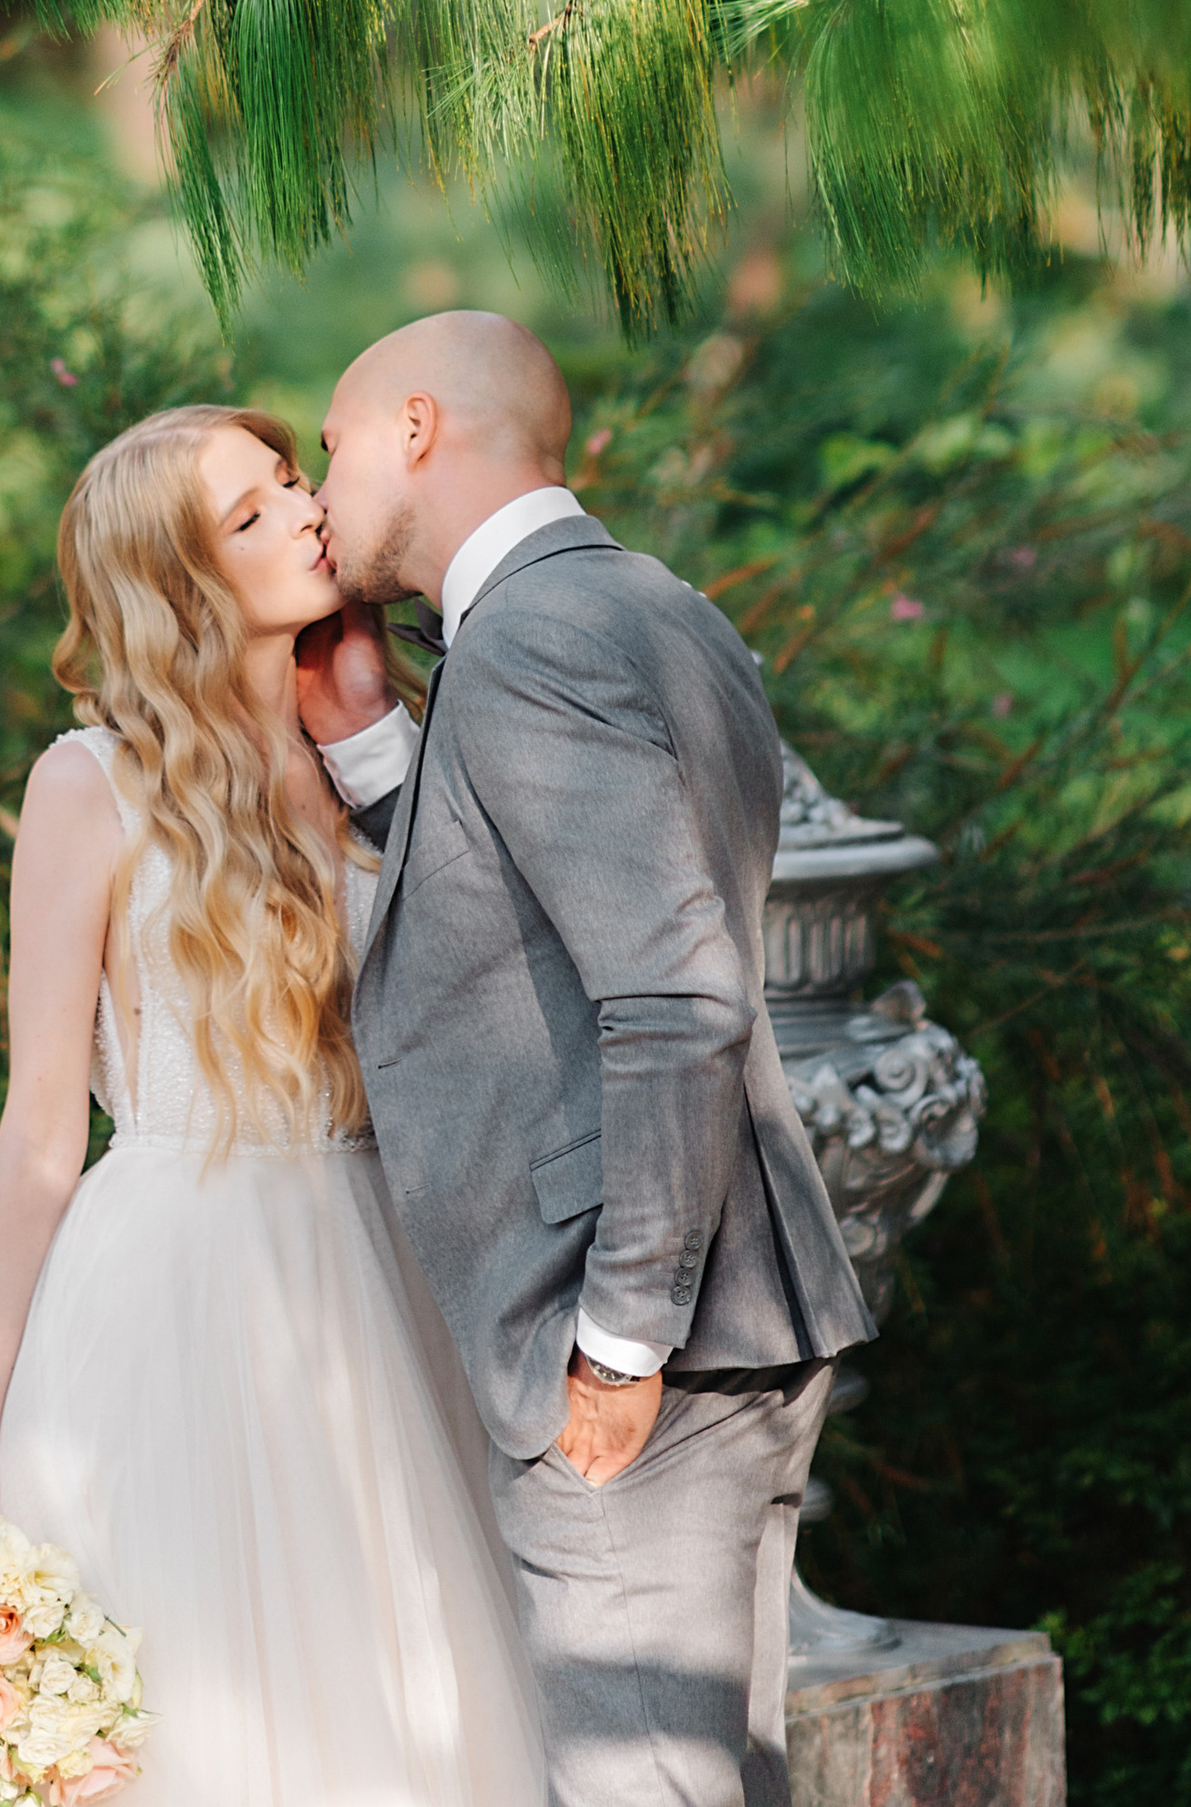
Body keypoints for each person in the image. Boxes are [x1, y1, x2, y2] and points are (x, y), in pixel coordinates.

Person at [0, 401, 546, 1807]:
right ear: (185, 585)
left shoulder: (379, 745)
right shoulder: (92, 786)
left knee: (412, 1698)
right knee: (199, 1713)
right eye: (252, 516)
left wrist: (378, 731)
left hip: (387, 1263)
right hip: (179, 1284)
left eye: (293, 481)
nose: (309, 512)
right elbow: (41, 1131)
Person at [297, 311, 874, 1807]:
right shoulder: (655, 606)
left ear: (417, 428)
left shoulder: (536, 642)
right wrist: (372, 750)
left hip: (640, 1345)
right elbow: (536, 929)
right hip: (735, 1309)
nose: (319, 488)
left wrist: (618, 1341)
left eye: (333, 446)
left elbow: (677, 998)